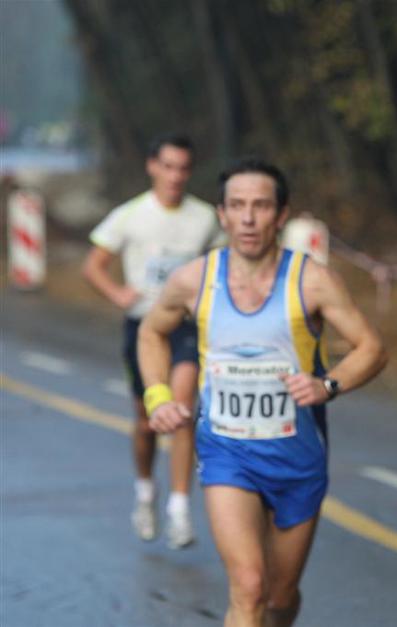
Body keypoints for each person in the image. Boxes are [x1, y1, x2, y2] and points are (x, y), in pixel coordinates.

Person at [138, 158, 386, 627]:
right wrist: (158, 396)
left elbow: (372, 348)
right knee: (249, 588)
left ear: (281, 214)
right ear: (222, 214)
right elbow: (151, 332)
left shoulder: (311, 280)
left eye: (260, 206)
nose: (248, 218)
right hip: (227, 455)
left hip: (298, 459)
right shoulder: (195, 279)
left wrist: (328, 385)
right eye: (237, 206)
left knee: (279, 597)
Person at [82, 133, 221, 549]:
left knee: (181, 410)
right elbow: (94, 265)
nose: (175, 176)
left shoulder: (204, 217)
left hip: (186, 326)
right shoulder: (131, 214)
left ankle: (179, 509)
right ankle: (145, 492)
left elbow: (221, 264)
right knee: (147, 420)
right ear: (152, 166)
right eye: (168, 166)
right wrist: (117, 293)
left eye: (183, 168)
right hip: (144, 327)